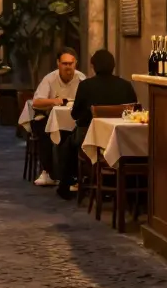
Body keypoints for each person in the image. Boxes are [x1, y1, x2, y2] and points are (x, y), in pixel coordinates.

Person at [57, 49, 138, 200]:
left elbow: (75, 114)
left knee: (67, 143)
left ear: (93, 66)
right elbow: (134, 110)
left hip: (92, 139)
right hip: (120, 139)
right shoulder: (125, 86)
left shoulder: (86, 86)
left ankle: (66, 185)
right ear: (113, 66)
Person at [29, 49, 86, 186]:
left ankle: (76, 175)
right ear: (58, 64)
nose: (68, 67)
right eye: (64, 63)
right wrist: (53, 101)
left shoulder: (82, 79)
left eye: (70, 64)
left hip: (73, 119)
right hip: (49, 116)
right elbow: (36, 102)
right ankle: (47, 171)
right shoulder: (50, 79)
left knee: (80, 132)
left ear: (75, 64)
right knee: (44, 128)